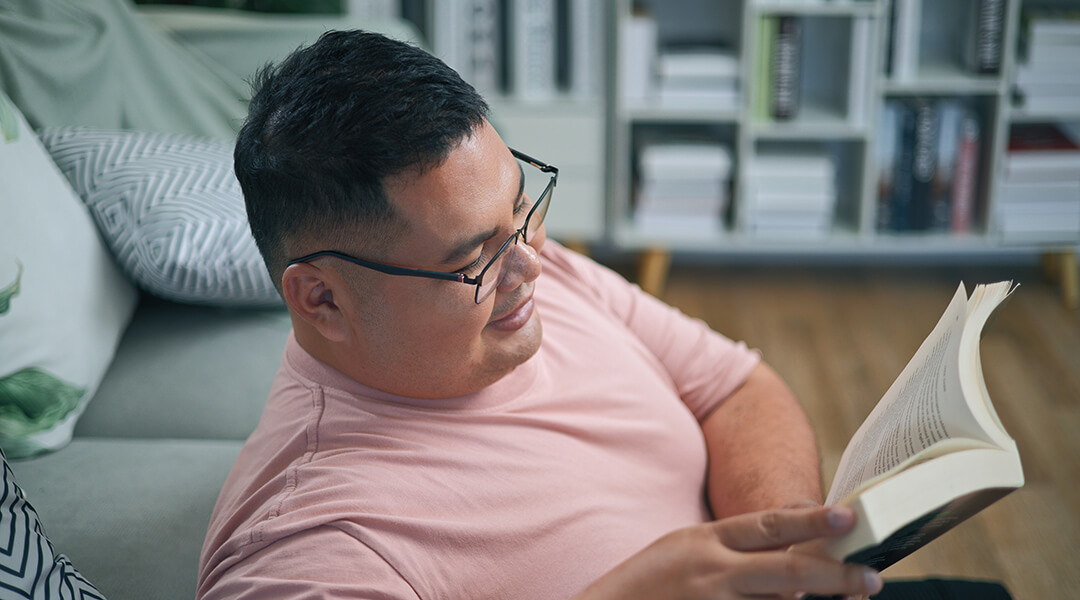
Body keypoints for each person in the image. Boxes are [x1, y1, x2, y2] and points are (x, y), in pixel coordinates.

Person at [196, 29, 883, 600]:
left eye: (522, 206)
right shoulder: (305, 555)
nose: (531, 264)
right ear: (323, 300)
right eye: (474, 255)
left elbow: (734, 387)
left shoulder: (524, 272)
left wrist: (777, 538)